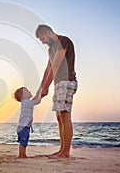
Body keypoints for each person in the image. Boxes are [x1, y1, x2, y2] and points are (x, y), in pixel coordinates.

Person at [36, 24, 77, 158]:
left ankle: (65, 152)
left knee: (65, 115)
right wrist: (41, 89)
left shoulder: (63, 41)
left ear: (49, 33)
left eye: (43, 39)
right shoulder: (50, 50)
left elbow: (56, 64)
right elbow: (48, 68)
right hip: (58, 83)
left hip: (67, 81)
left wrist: (46, 87)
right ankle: (61, 150)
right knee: (59, 117)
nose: (44, 42)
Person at [14, 87, 42, 158]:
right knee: (24, 142)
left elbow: (34, 99)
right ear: (23, 96)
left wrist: (38, 93)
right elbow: (37, 101)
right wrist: (40, 92)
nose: (29, 91)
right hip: (24, 127)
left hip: (21, 126)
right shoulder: (27, 102)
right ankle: (23, 155)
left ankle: (21, 154)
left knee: (22, 142)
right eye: (27, 91)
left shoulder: (26, 102)